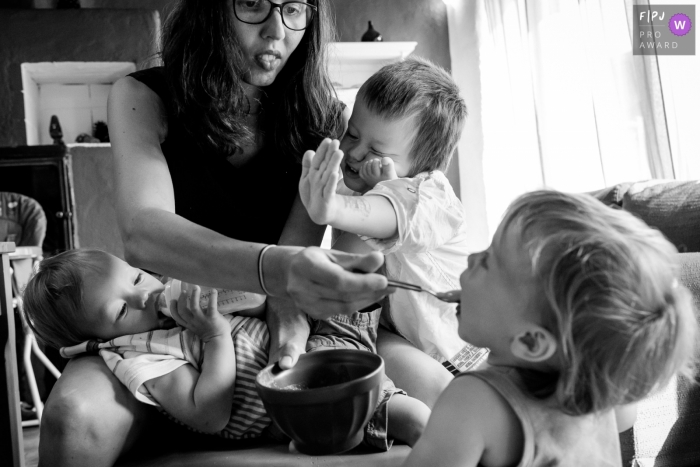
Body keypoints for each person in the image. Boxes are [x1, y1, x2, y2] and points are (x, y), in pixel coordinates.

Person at [39, 2, 391, 466]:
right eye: (251, 3)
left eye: (293, 8)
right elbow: (144, 230)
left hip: (256, 331)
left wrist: (289, 338)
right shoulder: (142, 95)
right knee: (73, 416)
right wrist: (276, 270)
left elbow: (295, 251)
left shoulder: (321, 114)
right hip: (160, 334)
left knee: (415, 398)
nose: (274, 31)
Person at [404, 190, 698, 467]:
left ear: (532, 342)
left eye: (488, 262)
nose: (470, 257)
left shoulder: (471, 401)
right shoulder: (608, 403)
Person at [24, 249, 429, 449]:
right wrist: (216, 336)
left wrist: (226, 295)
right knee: (414, 420)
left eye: (135, 277)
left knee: (360, 265)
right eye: (121, 310)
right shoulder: (140, 356)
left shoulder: (168, 300)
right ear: (100, 340)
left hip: (308, 350)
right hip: (298, 404)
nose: (144, 296)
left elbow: (256, 301)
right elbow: (209, 413)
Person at [299, 58, 481, 408]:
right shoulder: (354, 189)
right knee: (365, 347)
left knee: (461, 405)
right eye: (352, 133)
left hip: (457, 352)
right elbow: (352, 260)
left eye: (376, 151)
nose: (353, 152)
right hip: (399, 336)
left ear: (422, 165)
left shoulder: (431, 195)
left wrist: (334, 210)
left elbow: (388, 213)